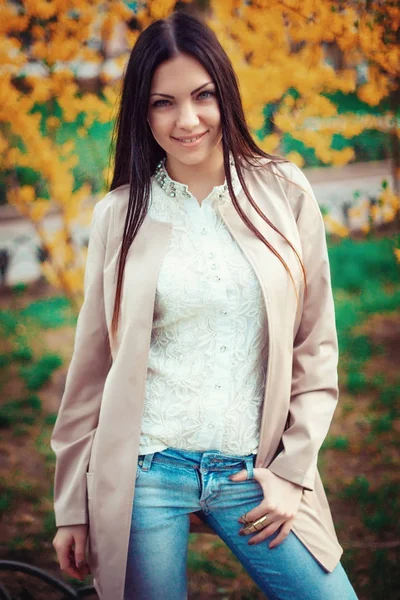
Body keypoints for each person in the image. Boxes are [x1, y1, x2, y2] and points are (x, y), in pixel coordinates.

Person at [51, 9, 359, 600]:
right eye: (163, 102)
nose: (186, 120)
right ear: (142, 111)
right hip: (147, 474)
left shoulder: (284, 192)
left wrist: (292, 475)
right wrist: (71, 505)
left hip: (255, 469)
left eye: (202, 96)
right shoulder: (120, 214)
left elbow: (315, 348)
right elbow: (91, 372)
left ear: (226, 95)